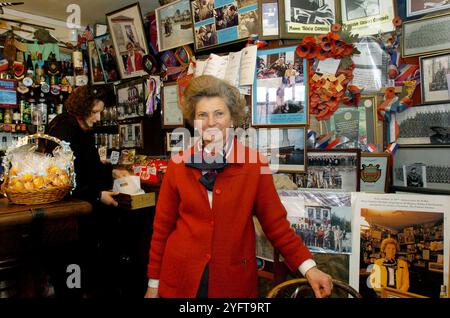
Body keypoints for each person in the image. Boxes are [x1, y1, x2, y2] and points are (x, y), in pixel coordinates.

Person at [144, 75, 333, 298]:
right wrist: (153, 284)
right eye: (202, 115)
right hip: (181, 279)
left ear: (232, 118)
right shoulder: (178, 165)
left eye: (219, 114)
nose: (210, 122)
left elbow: (276, 225)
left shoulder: (254, 165)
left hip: (232, 281)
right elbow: (161, 230)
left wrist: (308, 267)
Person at [47, 86, 130, 297]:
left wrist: (111, 172)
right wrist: (97, 195)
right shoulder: (66, 129)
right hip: (68, 218)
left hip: (79, 214)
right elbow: (62, 179)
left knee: (80, 268)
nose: (98, 117)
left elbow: (86, 166)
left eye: (100, 112)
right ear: (82, 108)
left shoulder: (77, 127)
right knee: (71, 270)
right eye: (94, 112)